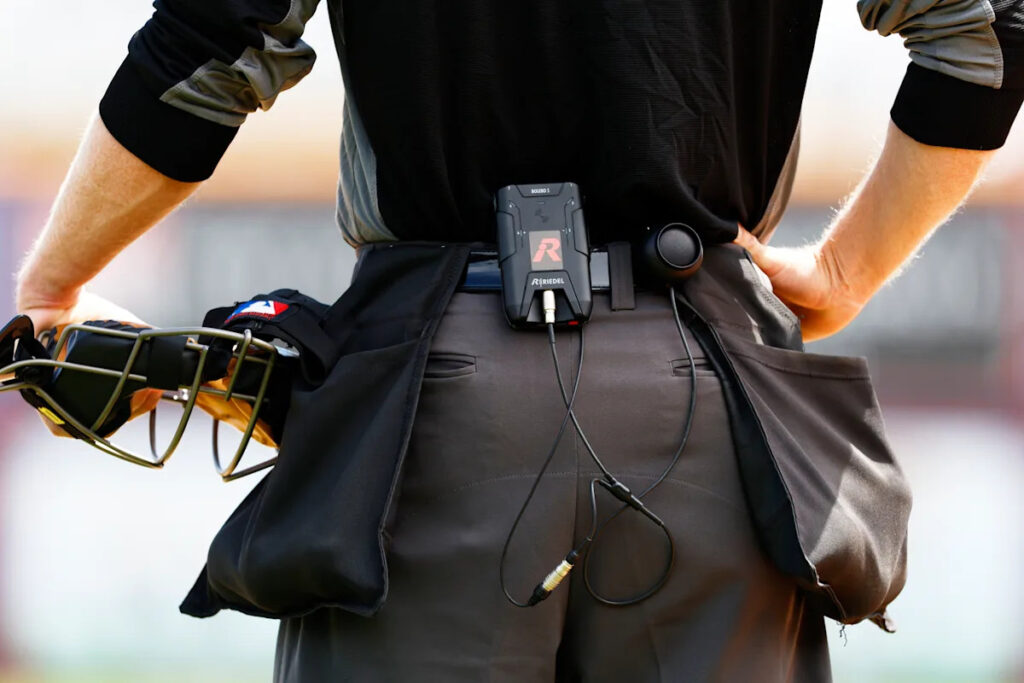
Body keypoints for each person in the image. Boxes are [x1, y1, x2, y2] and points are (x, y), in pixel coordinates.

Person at [13, 1, 1023, 680]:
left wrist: (53, 284)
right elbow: (987, 34)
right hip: (709, 386)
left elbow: (210, 40)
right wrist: (847, 269)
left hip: (437, 398)